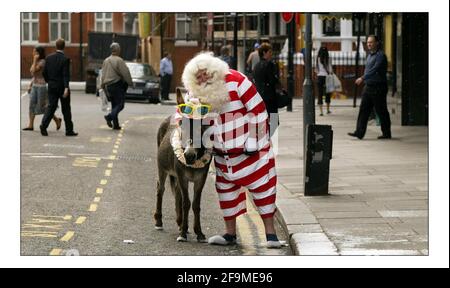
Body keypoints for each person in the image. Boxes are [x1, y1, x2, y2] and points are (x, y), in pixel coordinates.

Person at [181, 52, 284, 248]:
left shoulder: (238, 81)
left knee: (263, 191)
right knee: (226, 194)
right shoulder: (194, 95)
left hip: (253, 156)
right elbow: (190, 122)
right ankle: (230, 234)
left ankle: (271, 235)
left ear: (213, 70)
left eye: (205, 73)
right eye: (198, 77)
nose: (203, 79)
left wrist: (253, 140)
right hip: (224, 158)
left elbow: (259, 109)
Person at [348, 35, 392, 140]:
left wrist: (362, 78)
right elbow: (368, 70)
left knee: (381, 111)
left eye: (371, 42)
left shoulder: (380, 56)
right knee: (363, 110)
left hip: (379, 87)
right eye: (368, 42)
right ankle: (359, 132)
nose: (369, 44)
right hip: (369, 87)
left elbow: (375, 70)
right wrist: (365, 80)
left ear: (377, 43)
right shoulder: (369, 56)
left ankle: (386, 133)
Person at [40, 38, 77, 137]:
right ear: (64, 47)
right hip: (62, 86)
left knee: (51, 106)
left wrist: (49, 81)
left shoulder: (48, 58)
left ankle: (43, 126)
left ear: (55, 46)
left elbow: (44, 73)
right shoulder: (65, 59)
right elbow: (66, 75)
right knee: (66, 109)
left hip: (52, 85)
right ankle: (69, 130)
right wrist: (66, 88)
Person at [23, 46, 62, 131]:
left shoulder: (42, 62)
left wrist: (34, 60)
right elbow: (33, 75)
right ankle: (30, 125)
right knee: (31, 105)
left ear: (38, 53)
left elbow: (33, 71)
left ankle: (57, 120)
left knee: (43, 107)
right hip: (35, 86)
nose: (33, 53)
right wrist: (30, 85)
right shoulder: (36, 61)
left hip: (42, 87)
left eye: (34, 52)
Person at [101, 42, 133, 130]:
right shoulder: (119, 60)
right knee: (120, 104)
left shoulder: (106, 60)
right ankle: (109, 117)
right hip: (116, 85)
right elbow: (125, 73)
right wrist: (130, 83)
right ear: (118, 50)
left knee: (114, 105)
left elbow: (102, 74)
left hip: (108, 86)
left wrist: (102, 85)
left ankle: (116, 124)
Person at [253, 42, 280, 136]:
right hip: (270, 97)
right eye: (269, 52)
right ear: (264, 53)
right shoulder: (269, 65)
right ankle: (270, 138)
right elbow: (272, 80)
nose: (271, 54)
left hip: (259, 96)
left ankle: (263, 137)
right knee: (274, 120)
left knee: (263, 119)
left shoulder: (256, 66)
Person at [315, 46, 333, 116]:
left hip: (320, 77)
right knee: (327, 93)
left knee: (320, 94)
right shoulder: (329, 59)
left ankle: (321, 111)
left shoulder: (317, 58)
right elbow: (330, 69)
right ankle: (328, 110)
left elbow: (316, 69)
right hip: (327, 77)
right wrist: (331, 73)